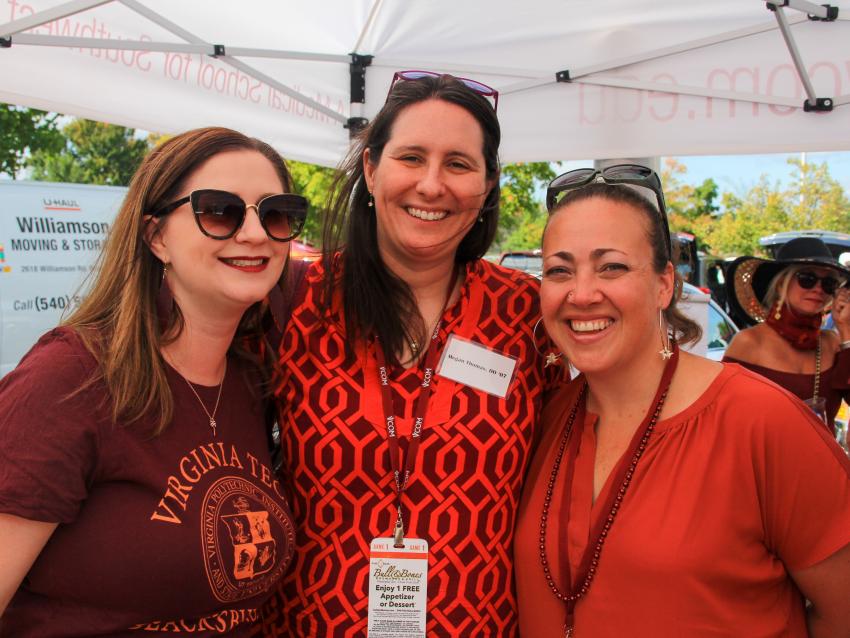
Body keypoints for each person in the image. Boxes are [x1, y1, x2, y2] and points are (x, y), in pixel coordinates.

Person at [258, 72, 563, 636]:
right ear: (372, 170)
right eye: (411, 157)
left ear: (489, 184)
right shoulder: (294, 301)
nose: (431, 185)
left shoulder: (528, 314)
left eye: (458, 164)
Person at [514, 166, 850, 637]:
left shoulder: (760, 421)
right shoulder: (544, 418)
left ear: (664, 284)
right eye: (559, 270)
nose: (582, 293)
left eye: (612, 266)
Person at [0, 127, 308, 635]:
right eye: (219, 211)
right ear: (156, 236)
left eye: (275, 213)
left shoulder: (252, 382)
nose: (255, 234)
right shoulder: (72, 377)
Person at [723, 237, 850, 433]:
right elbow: (723, 416)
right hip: (765, 462)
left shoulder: (832, 342)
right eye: (807, 279)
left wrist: (845, 328)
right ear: (782, 284)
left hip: (822, 461)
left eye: (829, 283)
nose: (818, 289)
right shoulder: (749, 342)